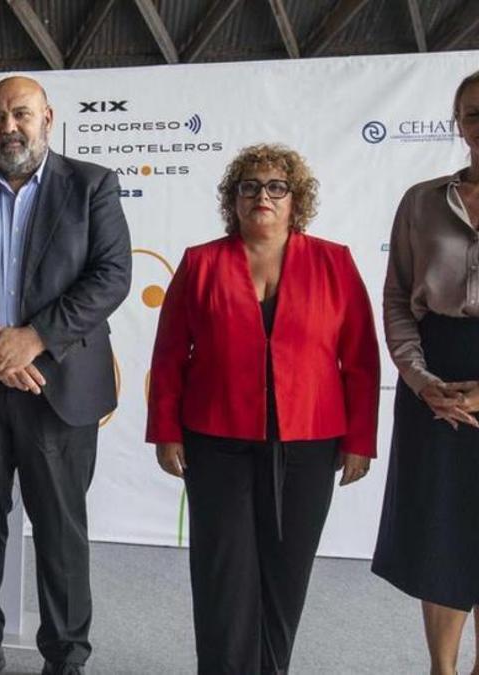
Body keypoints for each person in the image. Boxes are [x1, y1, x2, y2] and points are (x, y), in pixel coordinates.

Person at [0, 75, 131, 675]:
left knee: (61, 532)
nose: (8, 127)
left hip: (57, 388)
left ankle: (65, 658)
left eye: (20, 114)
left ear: (47, 117)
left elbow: (110, 276)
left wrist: (32, 340)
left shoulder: (90, 186)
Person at [146, 143, 379, 674]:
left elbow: (361, 359)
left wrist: (360, 440)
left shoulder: (334, 262)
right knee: (222, 578)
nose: (263, 196)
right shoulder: (201, 262)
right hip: (216, 441)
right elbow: (167, 357)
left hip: (310, 446)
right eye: (249, 186)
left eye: (277, 186)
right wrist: (166, 430)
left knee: (285, 577)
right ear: (234, 199)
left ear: (297, 200)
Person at [373, 69, 479, 675]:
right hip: (433, 379)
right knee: (441, 534)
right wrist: (419, 381)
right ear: (457, 122)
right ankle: (441, 670)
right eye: (472, 113)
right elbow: (397, 298)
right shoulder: (421, 200)